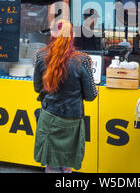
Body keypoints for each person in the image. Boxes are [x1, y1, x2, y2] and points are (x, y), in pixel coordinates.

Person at [33, 19, 98, 173]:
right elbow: (91, 95)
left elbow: (37, 88)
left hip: (49, 116)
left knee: (51, 165)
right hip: (72, 119)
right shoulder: (82, 60)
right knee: (66, 166)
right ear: (72, 36)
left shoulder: (41, 56)